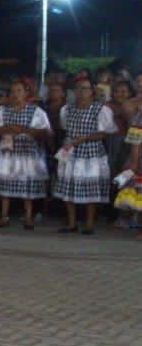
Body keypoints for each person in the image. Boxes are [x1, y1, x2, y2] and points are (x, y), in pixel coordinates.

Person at [55, 76, 117, 235]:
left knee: (91, 189)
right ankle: (71, 223)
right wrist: (72, 142)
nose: (81, 92)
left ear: (91, 91)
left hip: (92, 152)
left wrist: (83, 138)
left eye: (85, 88)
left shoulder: (101, 110)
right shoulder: (66, 109)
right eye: (78, 88)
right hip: (71, 151)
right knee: (68, 186)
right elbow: (64, 128)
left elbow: (105, 133)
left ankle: (89, 223)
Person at [0, 80, 51, 229]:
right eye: (13, 91)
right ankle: (4, 216)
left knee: (26, 183)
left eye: (19, 90)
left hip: (27, 151)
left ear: (26, 93)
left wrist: (23, 129)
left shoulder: (36, 111)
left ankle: (28, 217)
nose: (15, 94)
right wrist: (8, 128)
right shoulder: (2, 110)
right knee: (5, 182)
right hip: (6, 150)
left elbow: (46, 131)